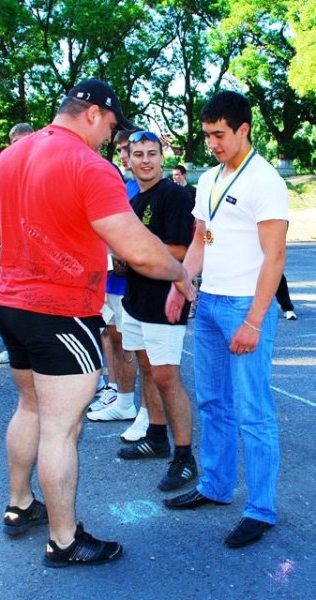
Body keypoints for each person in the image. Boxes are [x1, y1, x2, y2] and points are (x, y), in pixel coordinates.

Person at [0, 78, 195, 568]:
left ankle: (19, 505)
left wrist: (50, 234)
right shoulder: (87, 164)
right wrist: (182, 274)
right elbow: (140, 250)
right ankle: (63, 540)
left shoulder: (12, 155)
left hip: (10, 301)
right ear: (94, 114)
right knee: (62, 427)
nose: (112, 141)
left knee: (30, 407)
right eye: (112, 128)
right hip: (59, 311)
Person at [164, 91, 288, 549]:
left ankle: (261, 508)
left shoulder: (265, 181)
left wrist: (254, 321)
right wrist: (183, 284)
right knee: (214, 402)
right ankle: (215, 486)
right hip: (211, 304)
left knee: (254, 410)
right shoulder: (210, 178)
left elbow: (274, 258)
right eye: (207, 135)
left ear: (243, 130)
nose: (212, 143)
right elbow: (201, 239)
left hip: (244, 308)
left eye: (219, 134)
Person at [112, 131, 197, 493]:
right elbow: (127, 255)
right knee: (147, 369)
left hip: (165, 302)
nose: (145, 160)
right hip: (135, 299)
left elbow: (180, 251)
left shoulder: (175, 197)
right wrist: (121, 258)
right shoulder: (133, 200)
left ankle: (184, 457)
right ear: (126, 159)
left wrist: (136, 249)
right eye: (138, 154)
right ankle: (157, 436)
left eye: (152, 153)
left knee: (167, 377)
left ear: (162, 157)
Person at [87, 129, 143, 438]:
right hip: (108, 276)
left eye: (129, 149)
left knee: (134, 345)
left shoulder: (144, 189)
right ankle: (123, 400)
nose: (124, 155)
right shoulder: (122, 185)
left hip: (128, 282)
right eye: (122, 150)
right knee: (115, 337)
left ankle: (145, 413)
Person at [0, 123, 35, 365]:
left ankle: (33, 348)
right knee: (11, 298)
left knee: (34, 298)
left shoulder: (46, 168)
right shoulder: (4, 170)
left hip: (40, 248)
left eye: (27, 141)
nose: (23, 147)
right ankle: (14, 348)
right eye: (17, 142)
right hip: (10, 246)